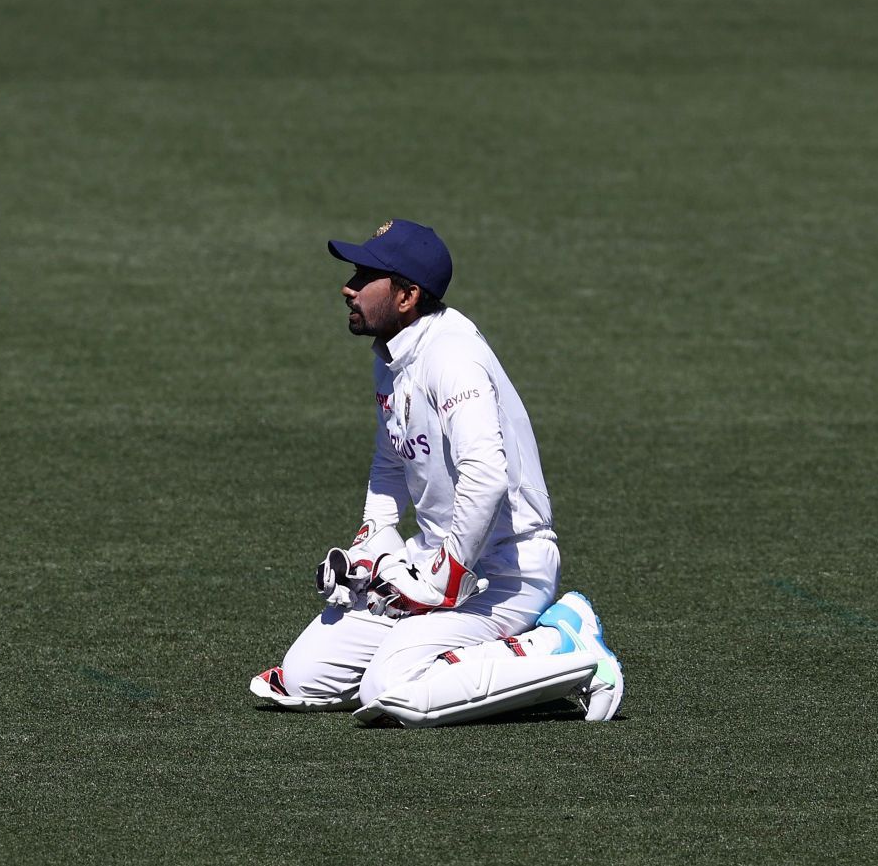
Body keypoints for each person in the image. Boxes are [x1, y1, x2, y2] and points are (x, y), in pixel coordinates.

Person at [249, 219, 625, 727]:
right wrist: (371, 543)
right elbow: (391, 459)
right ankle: (457, 653)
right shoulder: (392, 352)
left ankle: (562, 641)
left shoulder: (452, 356)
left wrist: (447, 575)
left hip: (504, 575)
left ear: (406, 296)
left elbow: (486, 475)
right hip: (430, 566)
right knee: (303, 678)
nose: (349, 286)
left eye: (365, 276)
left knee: (392, 688)